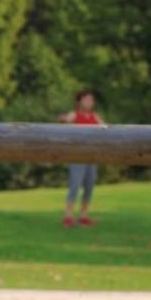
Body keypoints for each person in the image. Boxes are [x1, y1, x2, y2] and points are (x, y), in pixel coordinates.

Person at [58, 90, 105, 227]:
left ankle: (83, 216)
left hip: (92, 157)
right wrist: (63, 119)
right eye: (86, 99)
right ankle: (68, 216)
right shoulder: (75, 114)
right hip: (77, 156)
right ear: (79, 102)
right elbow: (65, 120)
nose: (89, 102)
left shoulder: (94, 117)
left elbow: (107, 128)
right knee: (75, 185)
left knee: (89, 186)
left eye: (91, 100)